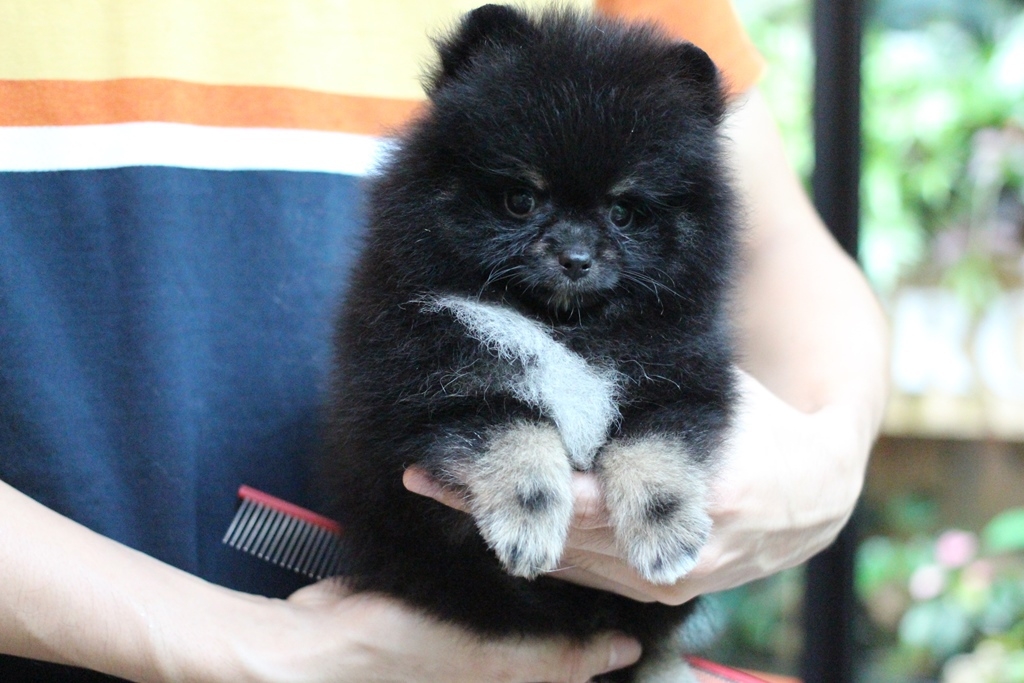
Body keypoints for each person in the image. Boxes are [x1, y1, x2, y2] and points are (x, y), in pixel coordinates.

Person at [0, 0, 887, 680]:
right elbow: (421, 408)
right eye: (522, 200)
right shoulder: (425, 307)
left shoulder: (648, 90)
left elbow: (779, 252)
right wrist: (250, 649)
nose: (578, 250)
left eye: (621, 213)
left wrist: (829, 454)